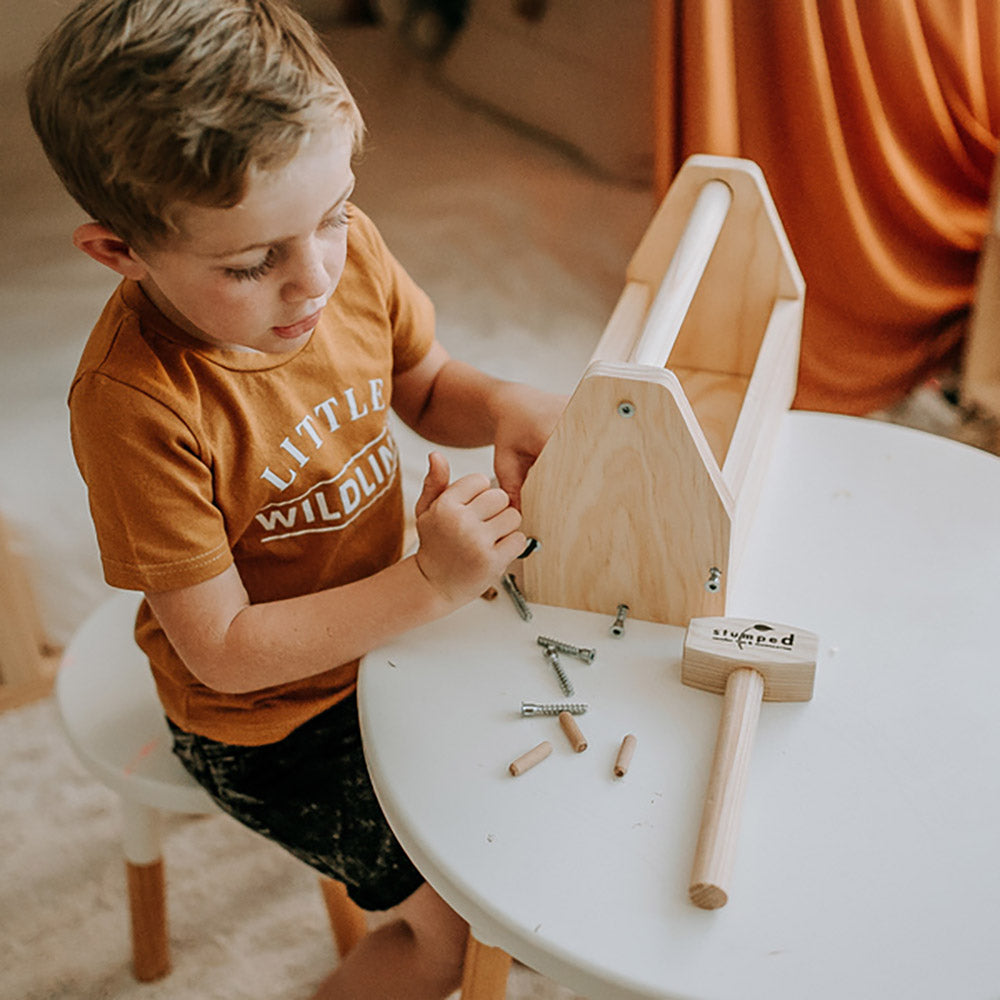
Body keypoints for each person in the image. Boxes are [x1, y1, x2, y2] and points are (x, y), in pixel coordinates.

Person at [26, 1, 564, 996]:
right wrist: (431, 582)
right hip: (272, 724)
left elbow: (426, 384)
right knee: (456, 921)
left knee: (546, 803)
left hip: (392, 636)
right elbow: (224, 653)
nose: (313, 278)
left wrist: (503, 402)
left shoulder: (344, 252)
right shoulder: (136, 404)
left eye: (329, 213)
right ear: (121, 252)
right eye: (250, 262)